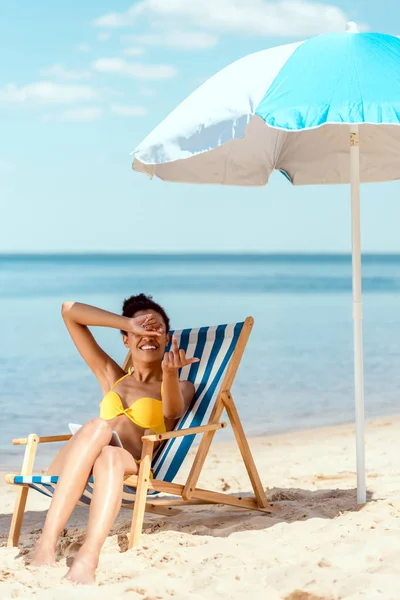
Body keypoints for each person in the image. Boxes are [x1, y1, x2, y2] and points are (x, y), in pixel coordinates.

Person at [31, 294, 198, 584]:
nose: (148, 334)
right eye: (139, 330)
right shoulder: (112, 376)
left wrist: (170, 374)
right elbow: (69, 311)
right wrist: (128, 322)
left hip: (126, 463)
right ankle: (45, 543)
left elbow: (173, 411)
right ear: (126, 340)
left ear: (167, 337)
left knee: (108, 452)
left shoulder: (181, 385)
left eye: (155, 327)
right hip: (72, 467)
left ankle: (88, 558)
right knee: (97, 427)